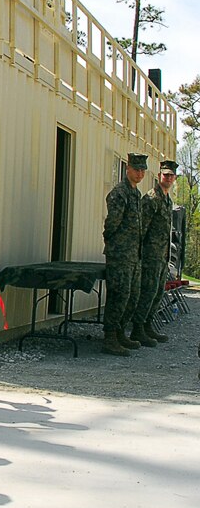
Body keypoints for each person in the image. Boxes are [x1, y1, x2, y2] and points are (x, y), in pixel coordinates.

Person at [101, 153, 148, 356]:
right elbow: (112, 224)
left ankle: (120, 332)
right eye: (136, 169)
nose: (139, 173)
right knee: (119, 295)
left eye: (142, 170)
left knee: (132, 296)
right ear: (127, 169)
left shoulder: (136, 194)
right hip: (120, 254)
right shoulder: (120, 193)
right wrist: (114, 244)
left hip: (133, 255)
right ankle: (110, 337)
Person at [135, 159, 178, 345]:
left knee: (157, 293)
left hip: (162, 256)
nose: (168, 178)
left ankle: (147, 326)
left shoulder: (167, 200)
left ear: (174, 178)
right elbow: (141, 229)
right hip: (150, 256)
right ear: (159, 175)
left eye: (171, 175)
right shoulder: (151, 198)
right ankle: (137, 329)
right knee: (147, 292)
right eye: (165, 175)